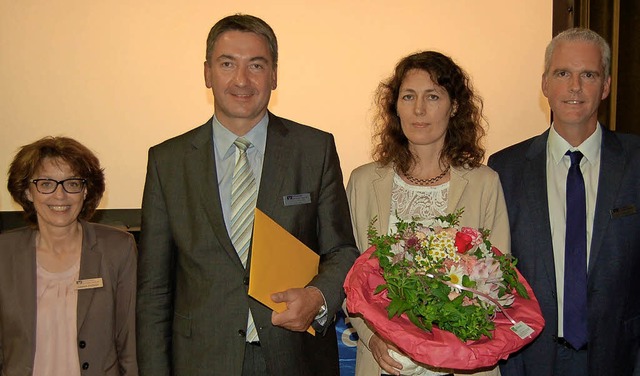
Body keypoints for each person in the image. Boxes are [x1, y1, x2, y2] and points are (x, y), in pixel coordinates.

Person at [135, 13, 359, 376]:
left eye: (256, 65)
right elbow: (154, 290)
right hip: (201, 361)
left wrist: (317, 296)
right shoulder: (168, 161)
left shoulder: (314, 149)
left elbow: (342, 251)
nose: (242, 80)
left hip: (294, 357)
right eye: (227, 64)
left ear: (274, 74)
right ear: (207, 73)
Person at [346, 51, 509, 376]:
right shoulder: (364, 182)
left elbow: (498, 281)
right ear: (395, 107)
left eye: (432, 96)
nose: (419, 109)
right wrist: (372, 337)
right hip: (385, 363)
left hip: (463, 363)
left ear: (454, 107)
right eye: (409, 97)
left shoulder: (484, 183)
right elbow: (349, 281)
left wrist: (455, 334)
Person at [488, 28, 640, 376]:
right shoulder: (504, 169)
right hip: (528, 361)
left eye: (588, 74)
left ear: (606, 86)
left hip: (620, 359)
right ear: (544, 85)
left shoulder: (636, 162)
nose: (575, 86)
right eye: (562, 74)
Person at [0, 136, 138, 375]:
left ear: (85, 191)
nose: (60, 195)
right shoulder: (5, 253)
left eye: (72, 183)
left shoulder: (117, 249)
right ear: (28, 191)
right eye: (46, 183)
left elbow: (129, 343)